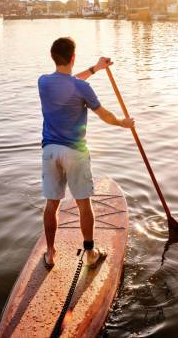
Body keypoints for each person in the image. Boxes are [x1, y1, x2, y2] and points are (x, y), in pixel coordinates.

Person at [38, 37, 134, 269]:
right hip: (75, 152)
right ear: (73, 58)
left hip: (50, 151)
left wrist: (95, 68)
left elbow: (68, 81)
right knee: (83, 204)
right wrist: (123, 123)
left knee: (52, 204)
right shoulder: (82, 87)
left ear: (53, 57)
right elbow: (104, 114)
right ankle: (90, 254)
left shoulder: (43, 82)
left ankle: (50, 253)